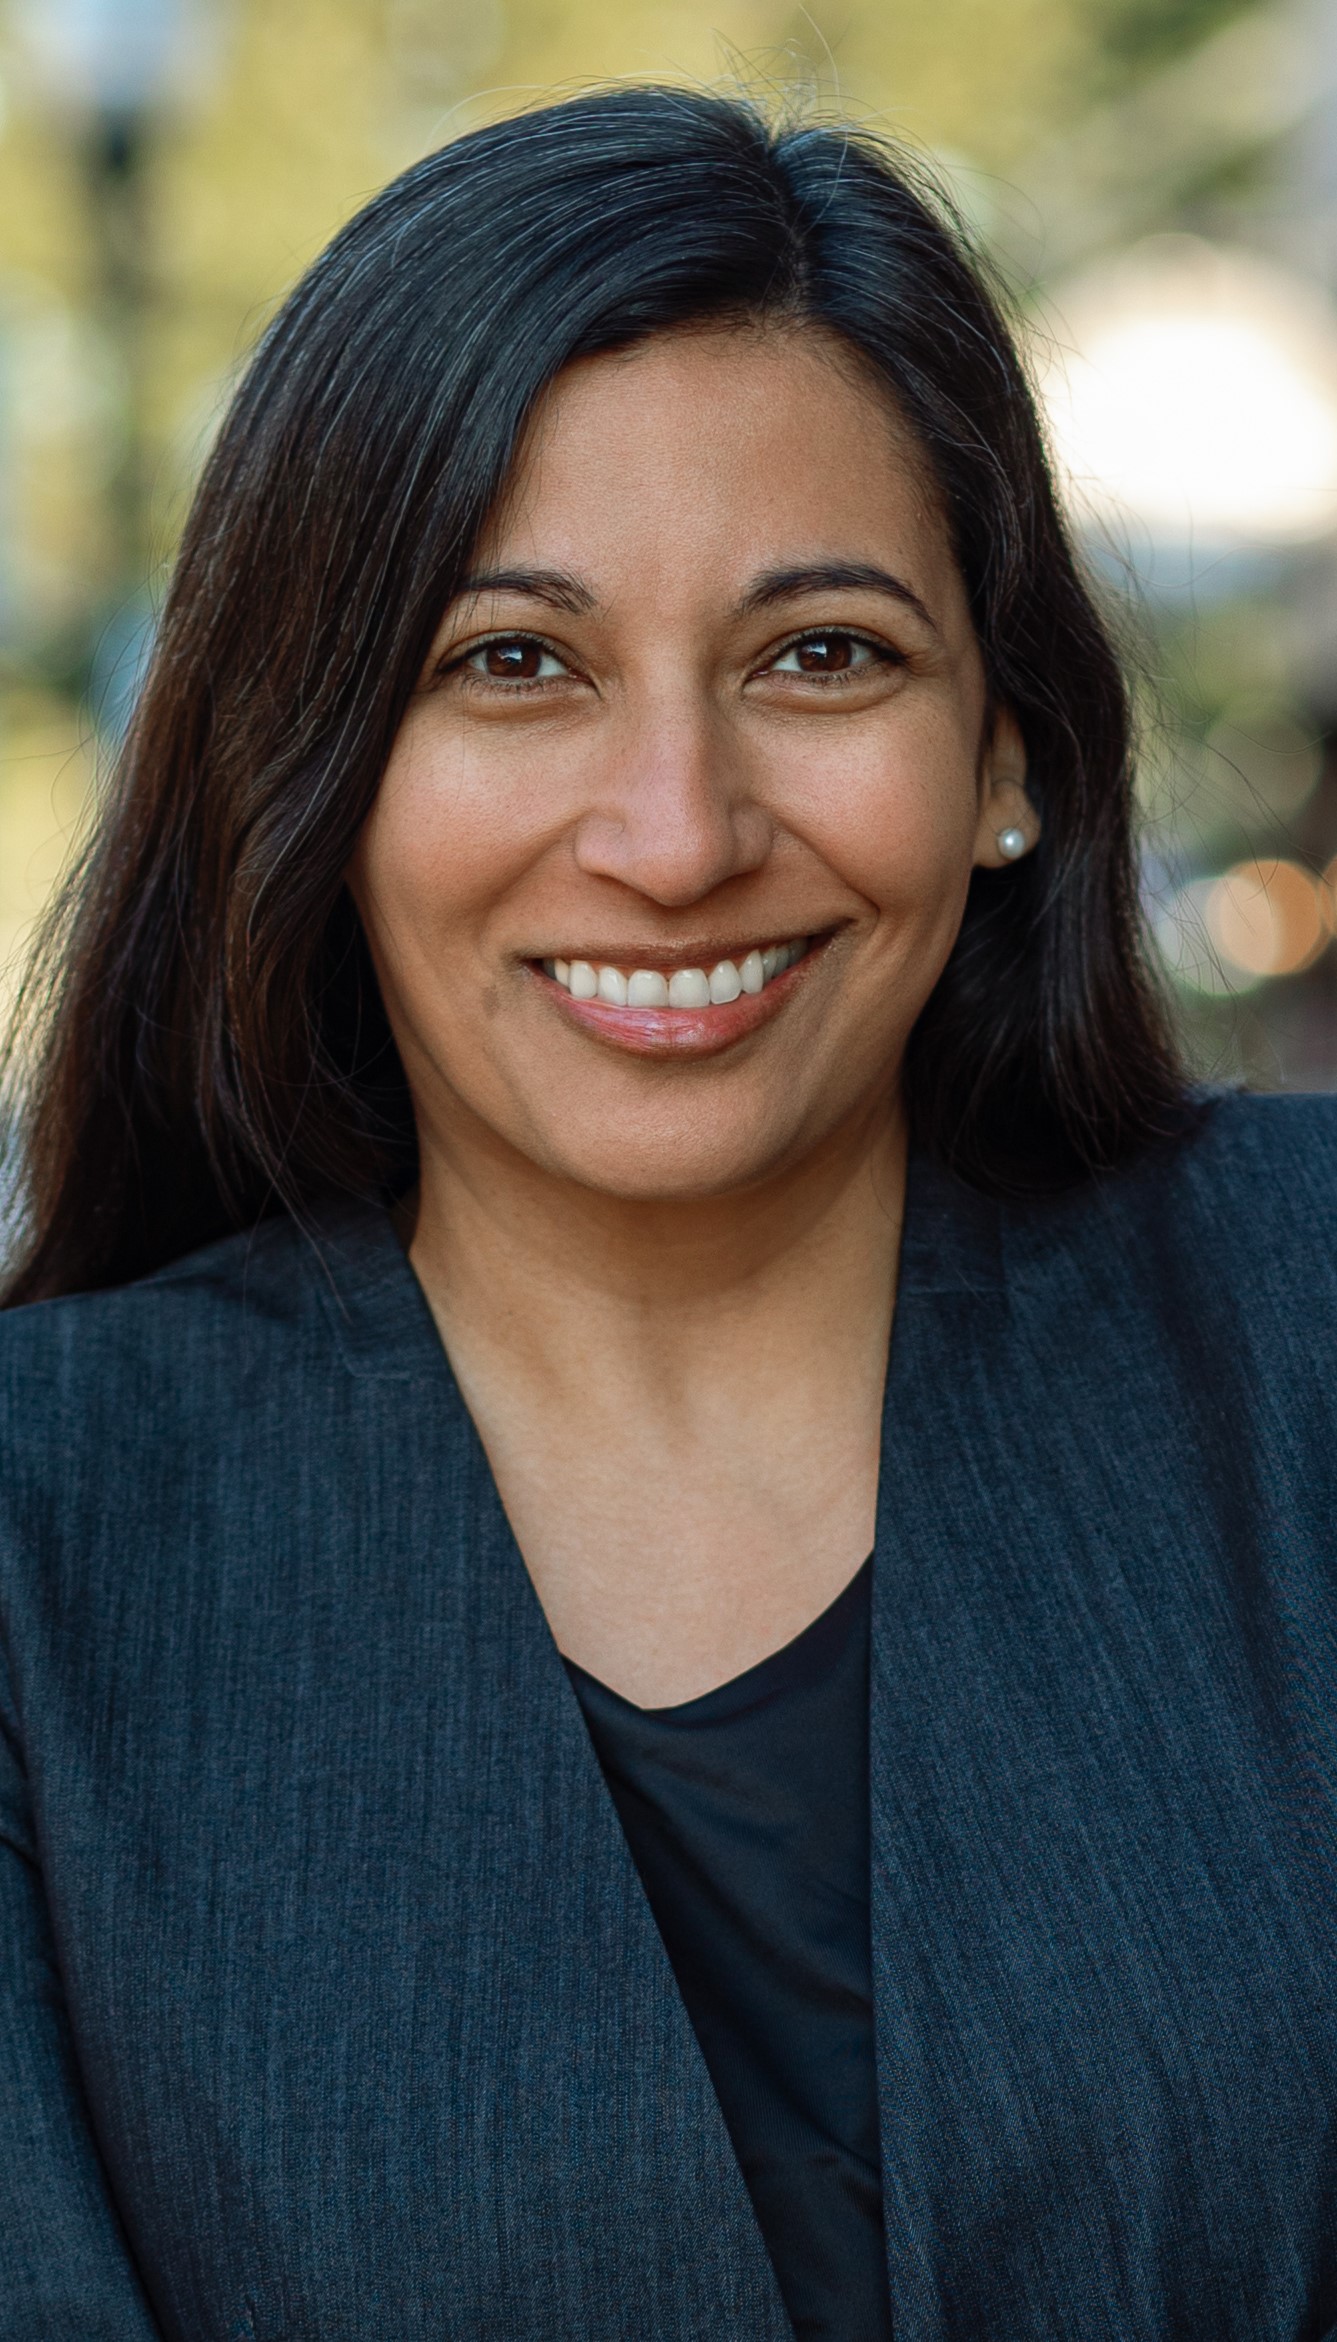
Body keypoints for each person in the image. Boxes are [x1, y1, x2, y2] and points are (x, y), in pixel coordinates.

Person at [1, 82, 1334, 2342]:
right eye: (509, 664)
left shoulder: (1304, 1330)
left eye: (823, 655)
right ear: (311, 767)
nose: (676, 828)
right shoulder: (44, 1554)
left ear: (1008, 751)